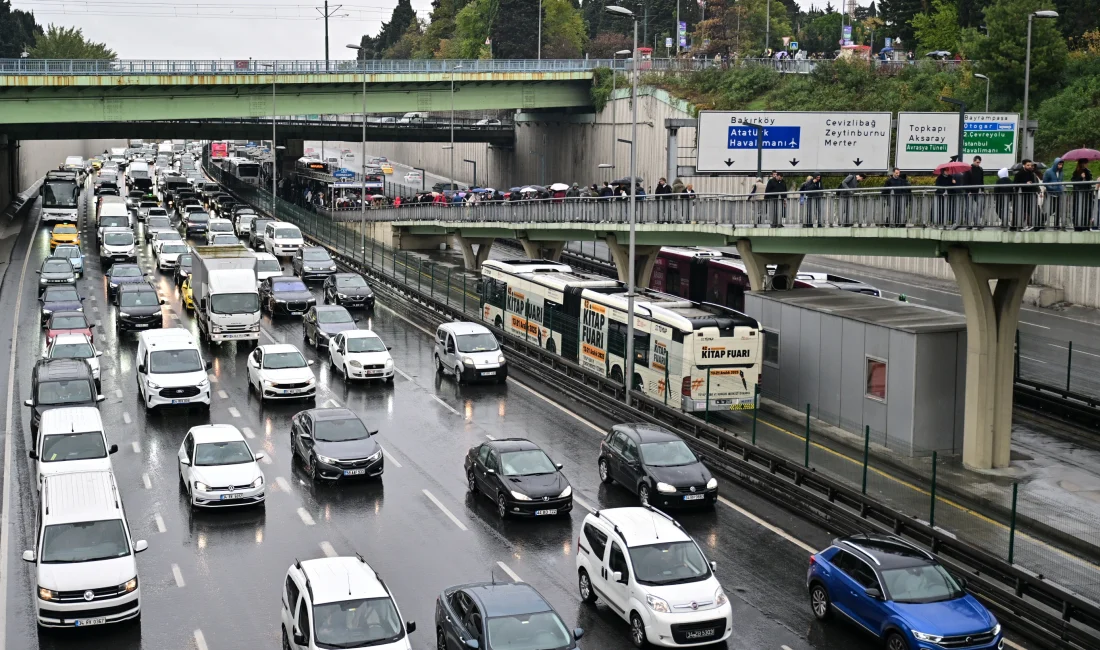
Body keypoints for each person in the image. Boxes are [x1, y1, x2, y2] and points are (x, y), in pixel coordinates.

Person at [1014, 160, 1041, 230]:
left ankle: (1035, 225)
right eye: (1028, 165)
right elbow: (1015, 184)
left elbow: (1035, 183)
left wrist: (1036, 190)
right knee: (1023, 210)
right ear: (1024, 165)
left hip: (1032, 194)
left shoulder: (1032, 173)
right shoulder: (1019, 174)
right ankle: (1018, 225)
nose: (1029, 167)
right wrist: (1025, 183)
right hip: (1023, 195)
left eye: (1030, 165)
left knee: (1034, 209)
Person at [1070, 160, 1094, 230]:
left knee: (1087, 209)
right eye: (1085, 163)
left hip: (1086, 194)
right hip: (1078, 194)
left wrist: (1086, 177)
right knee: (1078, 208)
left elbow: (1090, 180)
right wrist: (1080, 177)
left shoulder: (1088, 171)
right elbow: (1073, 181)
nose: (1086, 164)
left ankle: (1086, 225)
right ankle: (1077, 226)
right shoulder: (1076, 172)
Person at [1042, 157, 1065, 229]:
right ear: (1056, 164)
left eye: (1061, 165)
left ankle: (1057, 224)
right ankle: (1042, 219)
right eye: (1059, 164)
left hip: (1059, 193)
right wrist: (1051, 188)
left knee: (1058, 209)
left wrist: (1061, 188)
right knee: (1051, 209)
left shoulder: (1061, 172)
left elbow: (1060, 181)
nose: (1060, 166)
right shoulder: (1048, 171)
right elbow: (1045, 181)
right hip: (1051, 193)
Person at [965, 155, 985, 228]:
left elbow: (982, 181)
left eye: (979, 162)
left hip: (978, 191)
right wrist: (968, 191)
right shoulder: (969, 169)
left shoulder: (980, 169)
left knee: (980, 207)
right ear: (973, 161)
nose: (978, 164)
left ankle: (977, 222)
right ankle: (969, 223)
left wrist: (982, 190)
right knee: (969, 208)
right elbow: (966, 181)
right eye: (977, 162)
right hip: (970, 191)